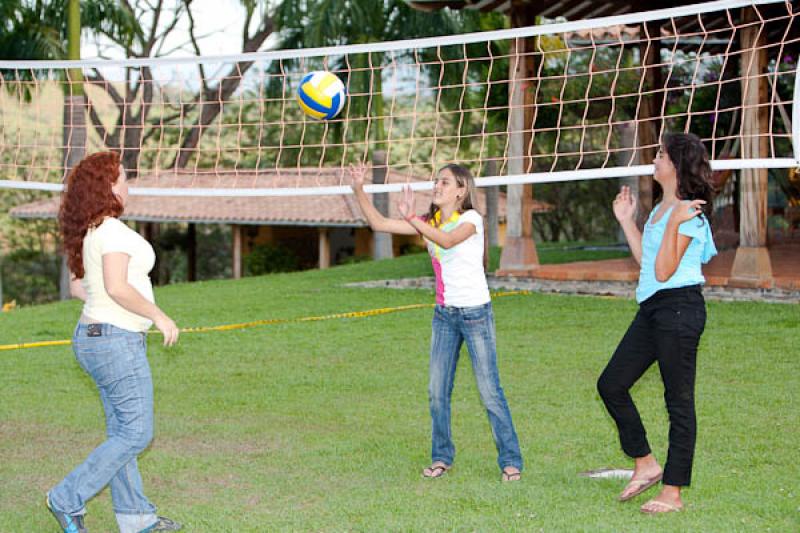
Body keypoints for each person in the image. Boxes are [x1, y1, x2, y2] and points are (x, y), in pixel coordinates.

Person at [350, 163, 523, 481]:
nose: (438, 186)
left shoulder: (471, 219)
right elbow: (377, 224)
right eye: (436, 181)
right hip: (444, 316)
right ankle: (442, 456)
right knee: (436, 390)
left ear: (461, 190)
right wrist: (358, 188)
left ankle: (510, 460)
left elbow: (447, 240)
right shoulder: (429, 222)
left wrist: (411, 218)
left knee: (489, 391)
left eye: (445, 182)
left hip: (475, 315)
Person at [48, 151, 182, 532]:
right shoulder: (112, 233)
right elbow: (117, 287)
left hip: (94, 338)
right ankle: (66, 497)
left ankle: (137, 519)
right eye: (123, 178)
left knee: (122, 432)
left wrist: (120, 305)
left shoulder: (91, 232)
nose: (128, 185)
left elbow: (80, 288)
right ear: (107, 187)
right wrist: (158, 316)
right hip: (114, 341)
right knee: (136, 433)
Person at [597, 133, 718, 513]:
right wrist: (628, 221)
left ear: (677, 165)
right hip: (653, 307)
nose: (654, 159)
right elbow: (649, 263)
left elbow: (666, 271)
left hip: (679, 308)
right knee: (611, 384)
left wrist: (672, 226)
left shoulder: (689, 211)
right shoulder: (664, 209)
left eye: (661, 154)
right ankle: (646, 463)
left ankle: (673, 491)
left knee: (678, 402)